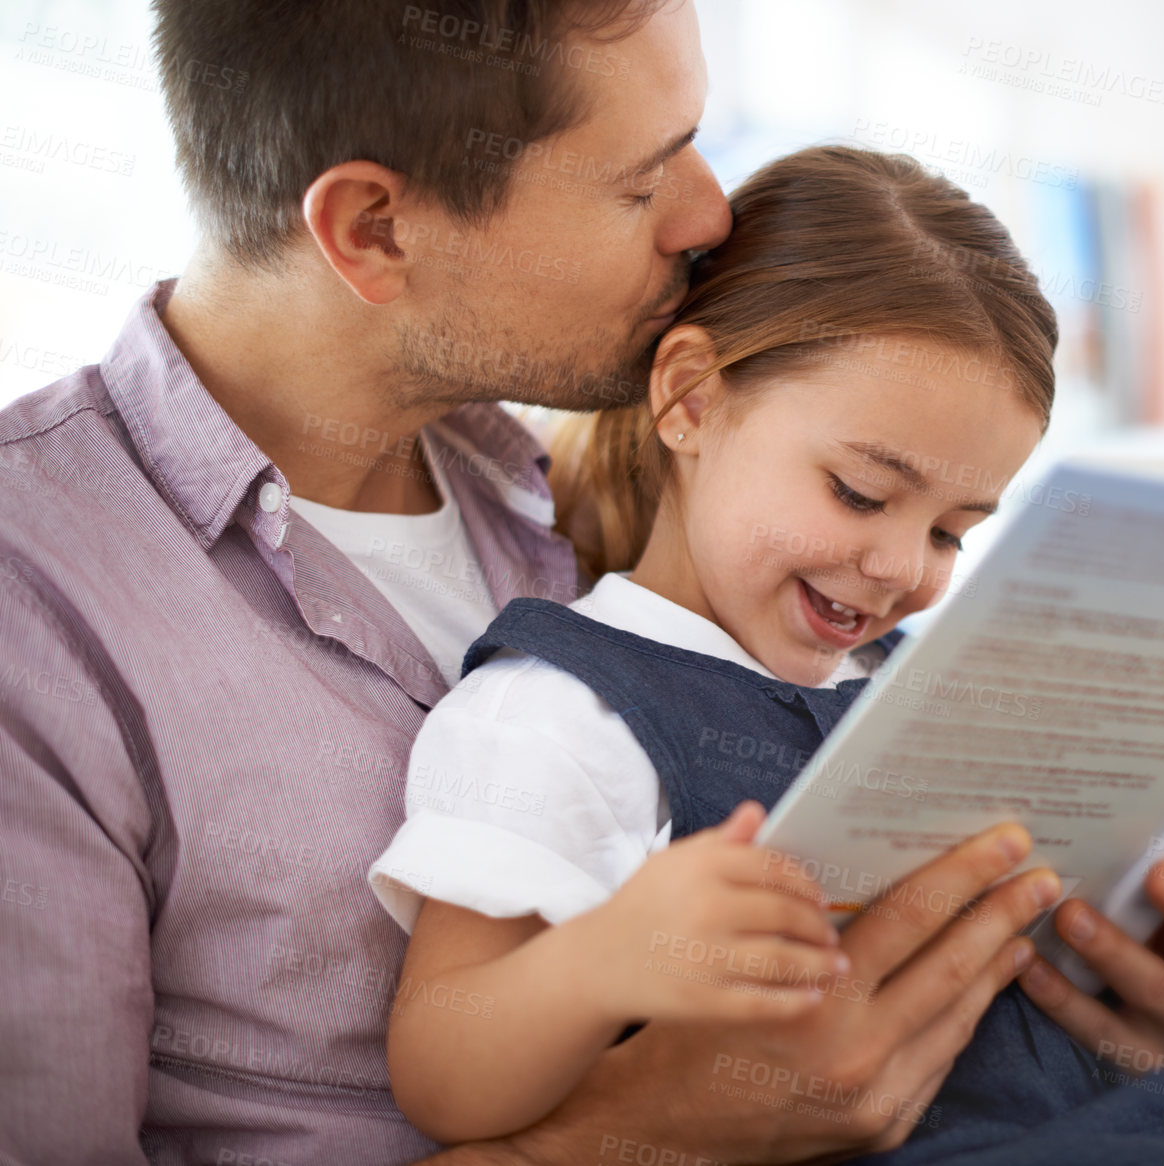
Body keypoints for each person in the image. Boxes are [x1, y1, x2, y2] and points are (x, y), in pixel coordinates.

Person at [0, 2, 1164, 1163]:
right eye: (638, 180)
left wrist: (1096, 1021)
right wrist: (638, 1137)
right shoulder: (38, 602)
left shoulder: (604, 512)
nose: (708, 213)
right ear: (373, 228)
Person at [369, 144, 1061, 1144]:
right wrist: (612, 950)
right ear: (691, 399)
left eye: (953, 530)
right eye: (860, 493)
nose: (901, 566)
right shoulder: (557, 715)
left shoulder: (900, 683)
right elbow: (440, 1070)